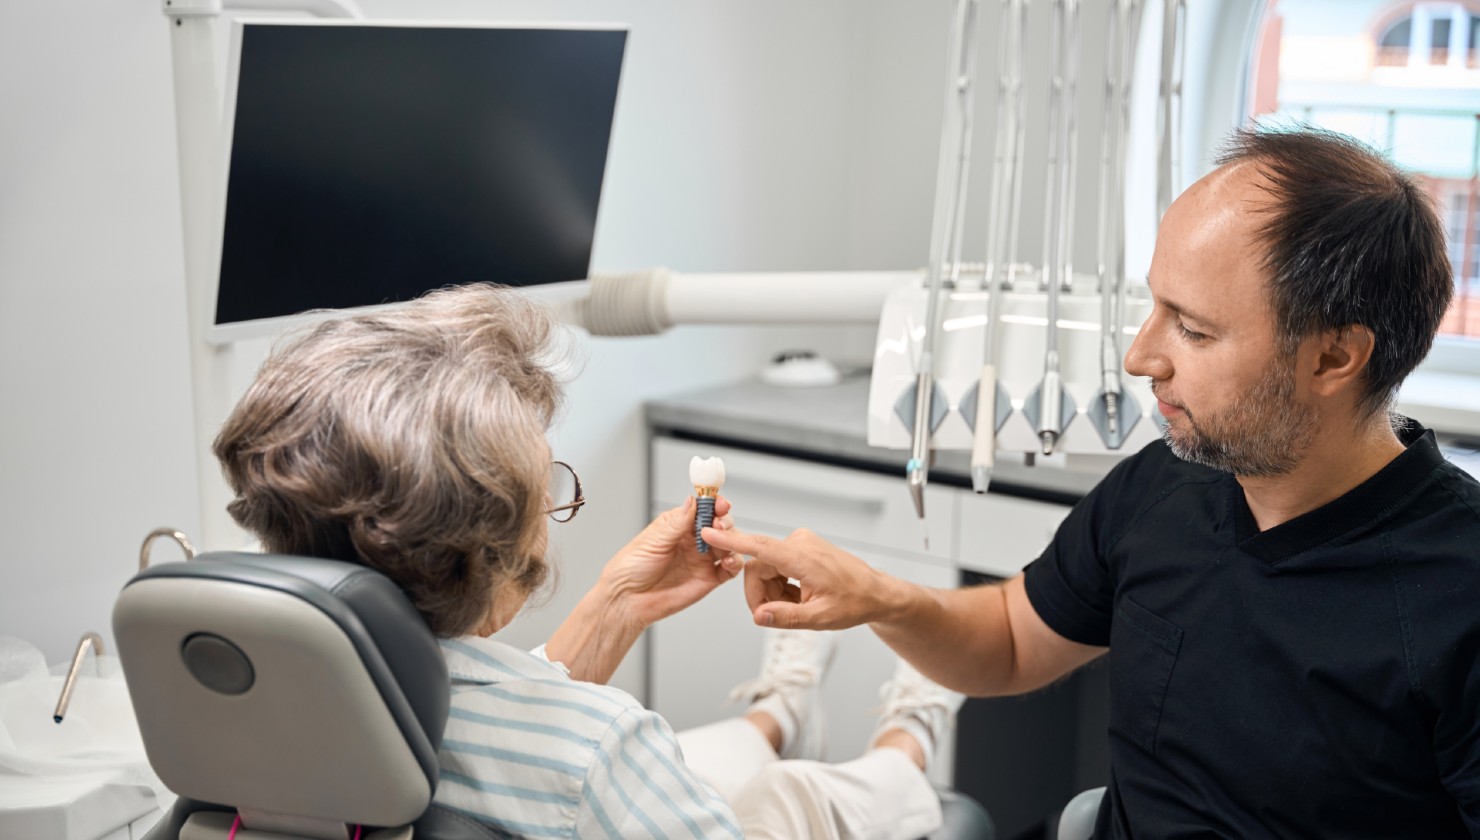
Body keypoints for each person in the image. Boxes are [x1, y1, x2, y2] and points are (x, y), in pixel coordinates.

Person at [703, 126, 1480, 838]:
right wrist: (879, 597)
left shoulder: (1458, 592)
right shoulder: (1166, 487)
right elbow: (1010, 643)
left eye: (1195, 329)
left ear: (1334, 359)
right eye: (1154, 307)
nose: (1142, 356)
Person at [211, 283, 964, 840]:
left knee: (731, 755)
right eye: (548, 496)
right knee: (793, 798)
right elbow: (571, 760)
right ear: (482, 561)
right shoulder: (599, 750)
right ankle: (907, 743)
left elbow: (490, 723)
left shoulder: (234, 714)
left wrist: (618, 604)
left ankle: (778, 715)